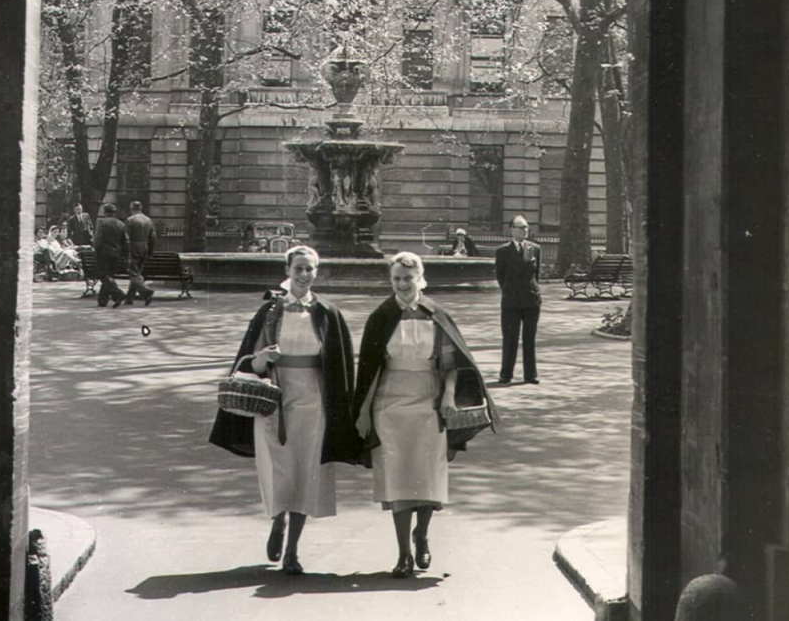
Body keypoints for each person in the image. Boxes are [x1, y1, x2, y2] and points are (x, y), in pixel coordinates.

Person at [209, 245, 358, 575]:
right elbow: (251, 359)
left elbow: (338, 364)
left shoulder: (326, 312)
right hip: (274, 400)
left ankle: (293, 550)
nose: (304, 275)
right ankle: (278, 520)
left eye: (310, 269)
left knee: (306, 472)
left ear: (316, 272)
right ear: (288, 271)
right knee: (278, 470)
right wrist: (264, 359)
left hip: (312, 401)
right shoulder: (271, 311)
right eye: (298, 269)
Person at [353, 251, 498, 578]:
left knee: (426, 474)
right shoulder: (381, 316)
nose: (403, 285)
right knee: (398, 476)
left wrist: (448, 397)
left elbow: (449, 363)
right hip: (390, 404)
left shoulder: (436, 314)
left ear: (420, 278)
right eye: (396, 279)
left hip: (428, 401)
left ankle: (423, 534)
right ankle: (403, 552)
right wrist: (363, 411)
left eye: (408, 278)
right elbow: (370, 370)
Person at [494, 215, 542, 385]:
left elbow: (536, 275)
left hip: (531, 300)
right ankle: (506, 374)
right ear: (512, 229)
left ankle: (531, 374)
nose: (524, 231)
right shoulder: (503, 251)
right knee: (510, 338)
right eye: (521, 228)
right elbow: (501, 276)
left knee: (530, 338)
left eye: (526, 227)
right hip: (511, 301)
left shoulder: (535, 249)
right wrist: (509, 291)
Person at [93, 203, 127, 308]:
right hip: (116, 254)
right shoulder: (121, 224)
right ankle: (102, 300)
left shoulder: (102, 222)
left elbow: (98, 239)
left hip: (104, 253)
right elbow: (125, 241)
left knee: (104, 276)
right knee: (109, 276)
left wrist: (97, 251)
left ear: (105, 212)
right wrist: (123, 254)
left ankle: (118, 293)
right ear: (114, 213)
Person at [124, 200, 156, 307]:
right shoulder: (148, 220)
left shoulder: (130, 220)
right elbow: (153, 237)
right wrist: (150, 251)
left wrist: (125, 250)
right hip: (145, 247)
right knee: (137, 273)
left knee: (133, 273)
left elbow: (126, 238)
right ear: (141, 208)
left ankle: (146, 292)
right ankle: (129, 297)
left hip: (134, 247)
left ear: (131, 208)